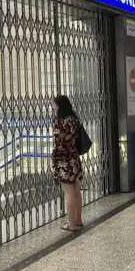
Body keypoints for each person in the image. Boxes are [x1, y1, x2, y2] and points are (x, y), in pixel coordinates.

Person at [52, 96, 84, 232]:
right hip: (74, 158)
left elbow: (58, 144)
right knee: (76, 189)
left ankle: (71, 223)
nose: (53, 108)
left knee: (69, 193)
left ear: (60, 107)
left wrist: (54, 159)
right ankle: (78, 219)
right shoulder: (74, 119)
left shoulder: (60, 122)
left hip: (64, 161)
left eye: (54, 106)